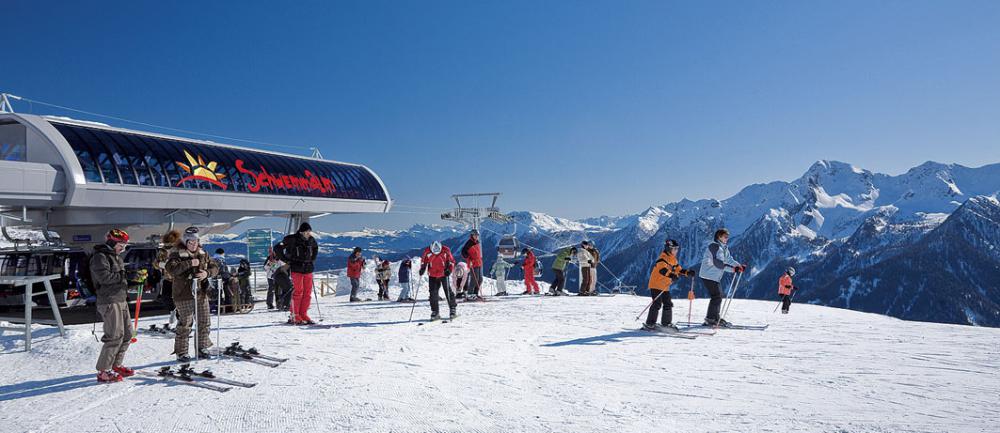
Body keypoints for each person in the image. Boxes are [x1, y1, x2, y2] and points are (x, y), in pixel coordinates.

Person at [165, 227, 220, 362]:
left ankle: (202, 348)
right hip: (183, 294)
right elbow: (171, 269)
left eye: (195, 241)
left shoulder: (203, 253)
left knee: (204, 322)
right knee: (185, 324)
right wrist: (189, 263)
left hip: (201, 293)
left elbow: (215, 267)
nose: (193, 244)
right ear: (185, 242)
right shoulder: (176, 254)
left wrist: (207, 273)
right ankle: (182, 352)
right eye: (190, 242)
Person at [90, 229, 134, 383]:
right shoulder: (99, 257)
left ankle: (116, 365)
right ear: (112, 242)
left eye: (124, 245)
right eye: (121, 245)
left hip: (121, 299)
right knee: (114, 336)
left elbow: (120, 279)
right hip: (109, 301)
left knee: (128, 334)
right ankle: (103, 371)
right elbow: (104, 277)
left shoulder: (116, 257)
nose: (123, 248)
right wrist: (125, 275)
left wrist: (134, 279)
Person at [643, 239, 696, 332]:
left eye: (677, 249)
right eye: (674, 249)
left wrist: (688, 273)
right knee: (657, 304)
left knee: (668, 303)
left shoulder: (673, 259)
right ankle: (650, 324)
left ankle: (666, 323)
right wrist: (671, 275)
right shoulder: (662, 258)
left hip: (664, 285)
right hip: (656, 284)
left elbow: (678, 270)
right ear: (668, 249)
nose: (676, 251)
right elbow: (662, 270)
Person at [698, 228, 745, 327]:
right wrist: (733, 270)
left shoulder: (723, 247)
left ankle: (715, 317)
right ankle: (711, 319)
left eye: (727, 237)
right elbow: (718, 264)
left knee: (718, 296)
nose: (727, 238)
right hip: (708, 275)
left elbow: (728, 259)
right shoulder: (715, 247)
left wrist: (738, 266)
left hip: (714, 276)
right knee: (716, 296)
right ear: (719, 237)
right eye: (725, 237)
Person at [274, 222, 319, 324]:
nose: (309, 234)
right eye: (307, 232)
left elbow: (315, 247)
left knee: (307, 293)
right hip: (297, 268)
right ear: (302, 231)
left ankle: (303, 314)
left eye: (309, 231)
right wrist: (286, 260)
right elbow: (277, 248)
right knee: (298, 292)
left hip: (308, 269)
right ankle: (294, 314)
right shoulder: (292, 239)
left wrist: (313, 258)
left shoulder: (311, 239)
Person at [419, 241, 456, 320]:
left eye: (437, 252)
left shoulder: (446, 250)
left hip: (443, 274)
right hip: (432, 274)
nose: (436, 253)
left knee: (448, 291)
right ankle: (435, 312)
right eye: (434, 252)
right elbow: (423, 261)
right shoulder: (427, 251)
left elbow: (452, 261)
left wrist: (449, 270)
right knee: (433, 293)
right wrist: (422, 268)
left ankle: (452, 309)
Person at [155, 229, 181, 329]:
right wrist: (161, 265)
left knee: (179, 301)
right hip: (167, 279)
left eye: (170, 244)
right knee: (165, 297)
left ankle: (181, 323)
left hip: (178, 279)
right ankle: (172, 311)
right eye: (167, 244)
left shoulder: (179, 251)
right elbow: (155, 263)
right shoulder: (162, 251)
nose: (168, 246)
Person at [461, 229, 484, 300]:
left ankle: (475, 294)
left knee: (480, 279)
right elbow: (463, 252)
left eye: (477, 235)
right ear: (472, 235)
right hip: (473, 263)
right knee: (474, 279)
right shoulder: (469, 243)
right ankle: (470, 294)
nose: (476, 236)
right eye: (475, 235)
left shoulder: (477, 242)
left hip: (479, 263)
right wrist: (468, 258)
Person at [211, 248, 236, 314]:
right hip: (222, 279)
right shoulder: (220, 260)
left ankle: (219, 308)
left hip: (215, 280)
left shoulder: (213, 259)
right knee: (226, 294)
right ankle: (226, 308)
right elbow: (223, 270)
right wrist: (228, 277)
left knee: (218, 294)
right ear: (222, 253)